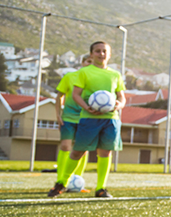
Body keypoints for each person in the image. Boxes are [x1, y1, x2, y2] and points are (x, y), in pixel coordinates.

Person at [69, 41, 126, 198]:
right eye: (98, 51)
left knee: (105, 153)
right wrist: (87, 108)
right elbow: (76, 95)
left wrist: (118, 105)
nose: (101, 54)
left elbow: (122, 98)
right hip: (89, 118)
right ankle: (62, 182)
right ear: (91, 54)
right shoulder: (85, 72)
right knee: (78, 151)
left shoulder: (115, 74)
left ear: (109, 54)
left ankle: (101, 188)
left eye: (104, 51)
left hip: (110, 118)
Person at [48, 55, 92, 197]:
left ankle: (77, 182)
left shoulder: (95, 80)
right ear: (82, 62)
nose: (90, 64)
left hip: (86, 119)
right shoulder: (70, 77)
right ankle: (61, 180)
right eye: (88, 61)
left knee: (83, 150)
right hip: (68, 118)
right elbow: (59, 96)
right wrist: (58, 114)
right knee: (66, 147)